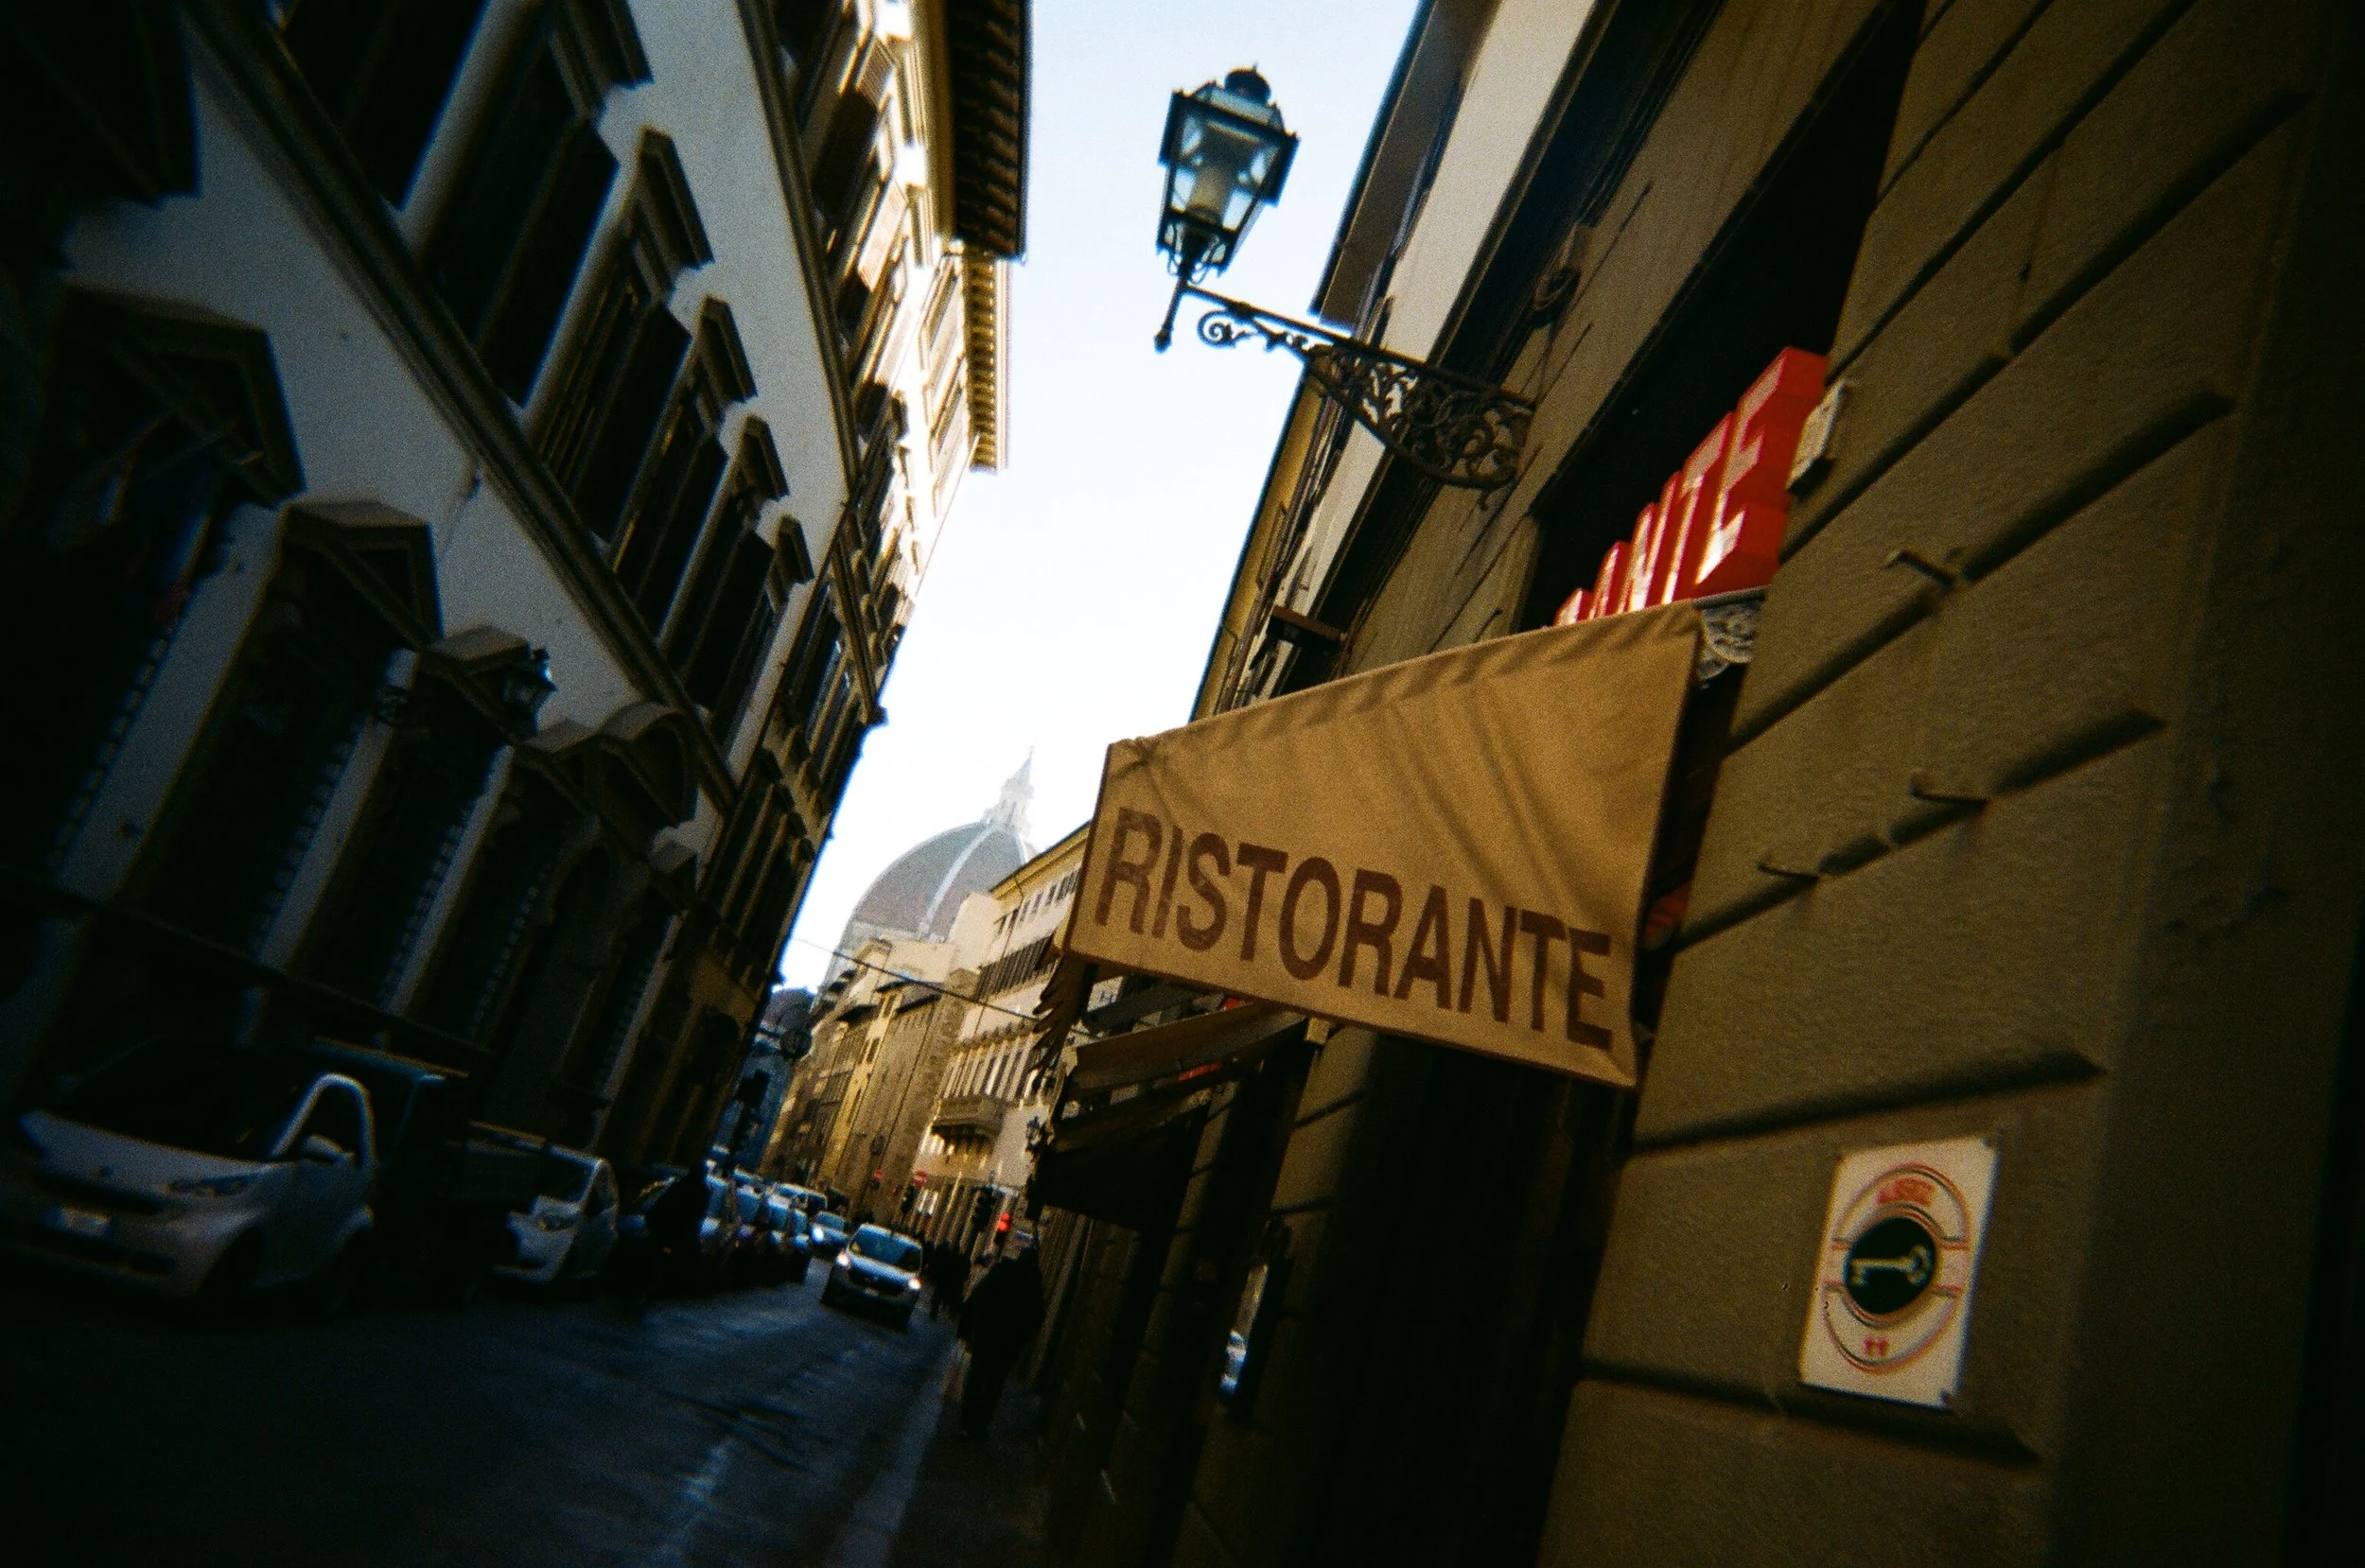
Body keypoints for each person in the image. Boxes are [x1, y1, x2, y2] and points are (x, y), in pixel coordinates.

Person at [955, 1244, 1043, 1438]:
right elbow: (1036, 1318)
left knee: (976, 1379)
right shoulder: (1032, 1286)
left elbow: (977, 1298)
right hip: (1008, 1346)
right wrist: (1021, 1338)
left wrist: (965, 1326)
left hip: (987, 1337)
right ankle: (980, 1425)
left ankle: (967, 1422)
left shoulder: (1001, 1274)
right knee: (994, 1385)